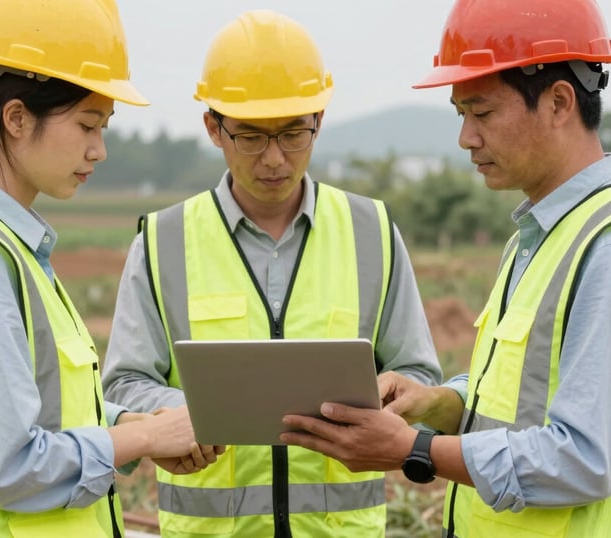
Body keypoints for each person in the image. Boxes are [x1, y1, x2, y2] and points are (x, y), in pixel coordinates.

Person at [280, 0, 611, 536]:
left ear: (558, 102)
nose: (466, 139)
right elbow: (524, 402)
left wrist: (416, 450)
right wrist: (439, 402)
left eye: (482, 113)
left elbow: (583, 460)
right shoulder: (541, 236)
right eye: (461, 115)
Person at [101, 8, 443, 538]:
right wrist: (192, 414)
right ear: (214, 127)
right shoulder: (162, 242)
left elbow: (419, 374)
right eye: (252, 137)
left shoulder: (372, 231)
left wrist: (397, 400)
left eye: (293, 134)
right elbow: (124, 384)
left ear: (319, 122)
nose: (275, 159)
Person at [0, 1, 223, 536]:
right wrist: (144, 440)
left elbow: (35, 408)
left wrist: (125, 422)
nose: (100, 150)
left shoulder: (7, 245)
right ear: (17, 118)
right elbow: (9, 467)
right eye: (88, 125)